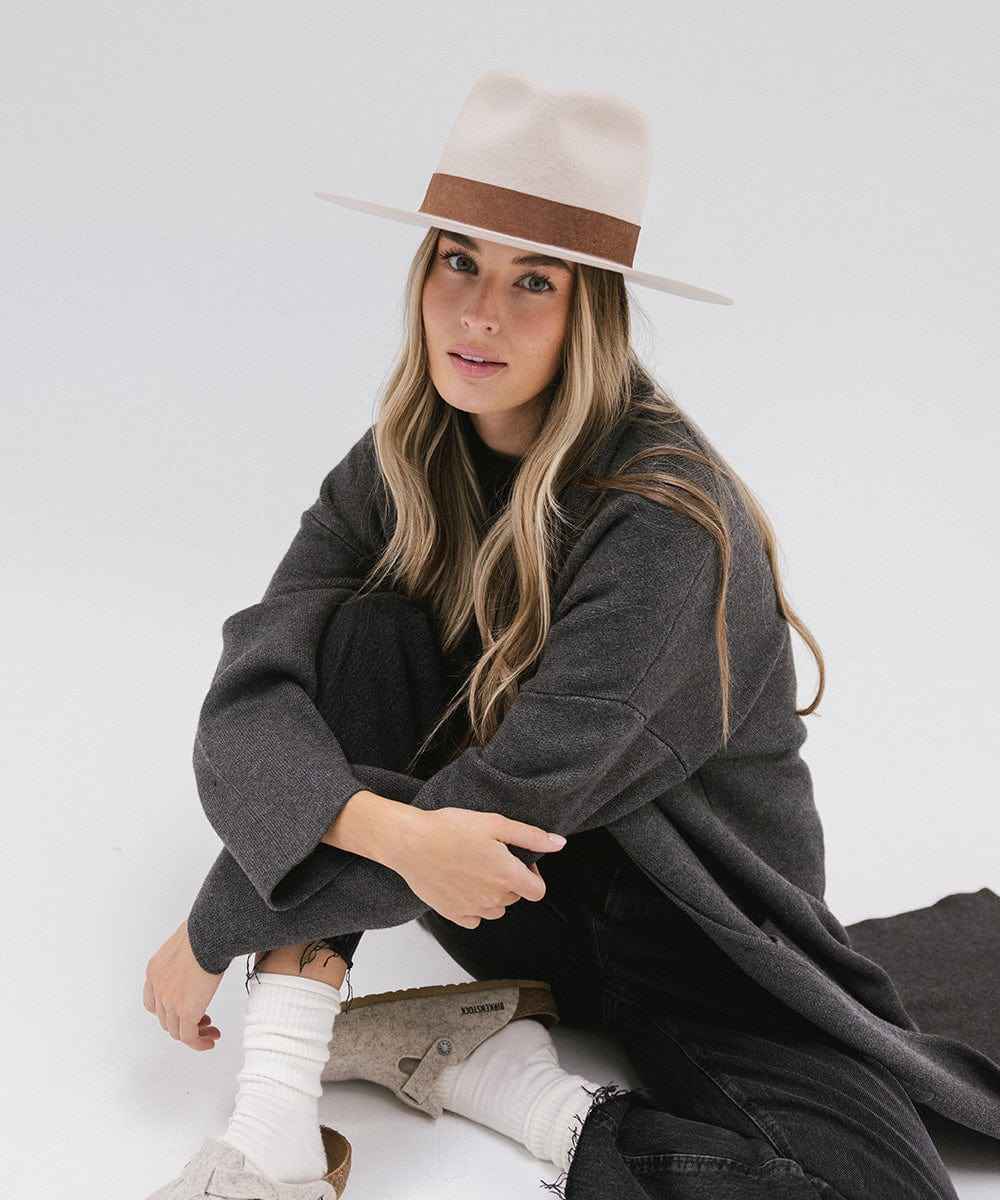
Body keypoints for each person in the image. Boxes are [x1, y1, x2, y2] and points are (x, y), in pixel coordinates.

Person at [143, 73, 972, 1199]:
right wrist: (384, 830)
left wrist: (211, 926)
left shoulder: (664, 520)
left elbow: (507, 815)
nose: (480, 314)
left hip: (697, 946)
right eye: (459, 263)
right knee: (359, 634)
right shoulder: (399, 464)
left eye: (533, 281)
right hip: (515, 911)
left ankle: (517, 1088)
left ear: (593, 310)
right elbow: (250, 697)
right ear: (422, 272)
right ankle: (274, 1128)